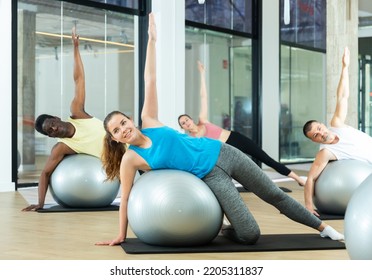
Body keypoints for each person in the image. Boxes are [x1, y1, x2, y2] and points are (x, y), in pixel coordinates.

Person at [96, 13, 343, 246]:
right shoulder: (129, 160)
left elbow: (150, 80)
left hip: (224, 152)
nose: (123, 129)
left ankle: (324, 229)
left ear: (130, 120)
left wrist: (152, 40)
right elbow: (126, 198)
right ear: (115, 139)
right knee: (249, 234)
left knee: (274, 195)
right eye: (116, 131)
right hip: (210, 176)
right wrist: (121, 235)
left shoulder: (148, 119)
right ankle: (225, 226)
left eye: (122, 123)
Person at [178, 61, 306, 186]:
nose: (186, 123)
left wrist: (202, 74)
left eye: (186, 120)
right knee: (240, 171)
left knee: (265, 159)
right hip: (225, 151)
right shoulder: (193, 139)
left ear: (191, 119)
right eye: (183, 123)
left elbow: (203, 97)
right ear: (182, 127)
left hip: (235, 138)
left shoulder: (203, 120)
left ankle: (298, 179)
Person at [22, 27, 105, 211]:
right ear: (50, 136)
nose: (54, 129)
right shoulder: (63, 147)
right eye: (49, 132)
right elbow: (45, 173)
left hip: (128, 142)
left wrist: (75, 47)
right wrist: (41, 203)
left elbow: (79, 79)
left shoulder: (77, 112)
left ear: (56, 118)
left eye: (52, 124)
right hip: (121, 161)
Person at [302, 46, 372, 216]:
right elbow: (311, 178)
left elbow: (342, 96)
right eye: (315, 135)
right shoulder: (326, 153)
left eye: (318, 129)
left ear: (322, 124)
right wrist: (309, 206)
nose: (320, 134)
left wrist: (345, 68)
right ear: (314, 140)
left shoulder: (336, 124)